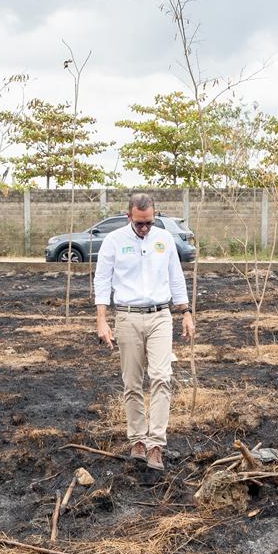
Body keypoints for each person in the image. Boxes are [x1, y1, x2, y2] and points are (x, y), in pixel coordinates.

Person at [94, 193, 196, 473]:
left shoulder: (164, 239)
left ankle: (155, 445)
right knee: (132, 382)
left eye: (149, 222)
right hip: (127, 317)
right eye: (139, 223)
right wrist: (102, 320)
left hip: (161, 316)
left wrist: (186, 312)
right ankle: (137, 440)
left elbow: (176, 277)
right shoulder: (113, 241)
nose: (144, 228)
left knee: (162, 378)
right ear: (129, 217)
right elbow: (102, 280)